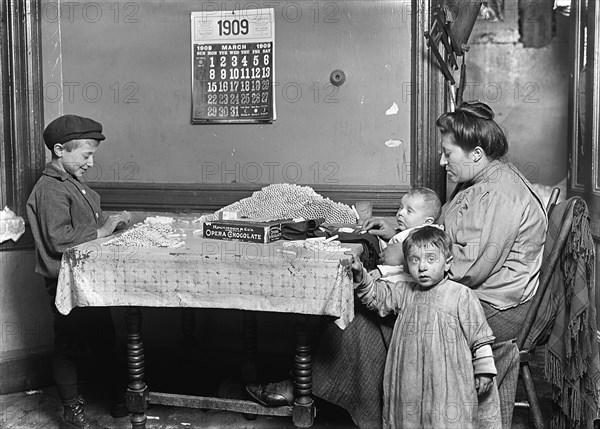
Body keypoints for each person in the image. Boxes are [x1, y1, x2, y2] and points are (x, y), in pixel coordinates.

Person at [247, 101, 547, 428]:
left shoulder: (498, 194)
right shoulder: (478, 181)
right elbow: (445, 235)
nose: (442, 160)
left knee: (365, 311)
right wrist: (403, 232)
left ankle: (310, 393)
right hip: (474, 291)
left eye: (449, 153)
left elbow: (466, 269)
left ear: (476, 154)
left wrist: (403, 252)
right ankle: (315, 391)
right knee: (369, 292)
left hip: (494, 308)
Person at [27, 114, 131, 429]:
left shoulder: (72, 182)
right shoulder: (50, 189)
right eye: (86, 155)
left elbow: (82, 224)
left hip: (89, 280)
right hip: (66, 283)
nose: (90, 162)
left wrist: (109, 224)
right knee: (69, 345)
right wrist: (103, 231)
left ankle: (116, 398)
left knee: (103, 337)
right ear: (60, 150)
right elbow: (59, 239)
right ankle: (72, 410)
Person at [350, 226, 500, 428]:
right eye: (414, 260)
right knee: (409, 417)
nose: (422, 267)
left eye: (431, 259)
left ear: (447, 263)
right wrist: (360, 277)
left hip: (448, 377)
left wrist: (484, 371)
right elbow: (376, 297)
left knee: (444, 418)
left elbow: (479, 336)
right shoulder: (405, 291)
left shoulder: (461, 295)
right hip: (409, 376)